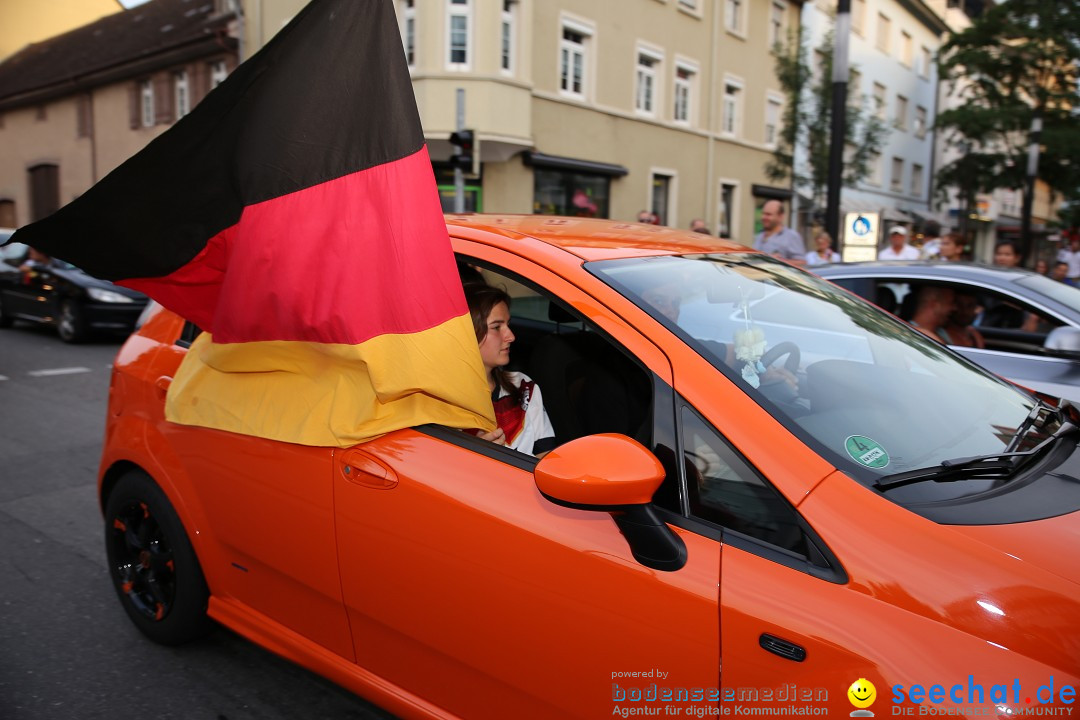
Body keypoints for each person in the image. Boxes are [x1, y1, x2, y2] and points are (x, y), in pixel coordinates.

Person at [464, 283, 557, 458]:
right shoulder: (442, 405)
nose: (511, 336)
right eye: (497, 327)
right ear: (467, 332)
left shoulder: (523, 387)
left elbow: (545, 458)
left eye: (508, 324)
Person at [753, 200, 806, 266]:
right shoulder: (759, 236)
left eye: (768, 214)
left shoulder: (791, 236)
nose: (764, 217)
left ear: (780, 216)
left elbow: (802, 263)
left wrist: (779, 261)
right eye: (763, 213)